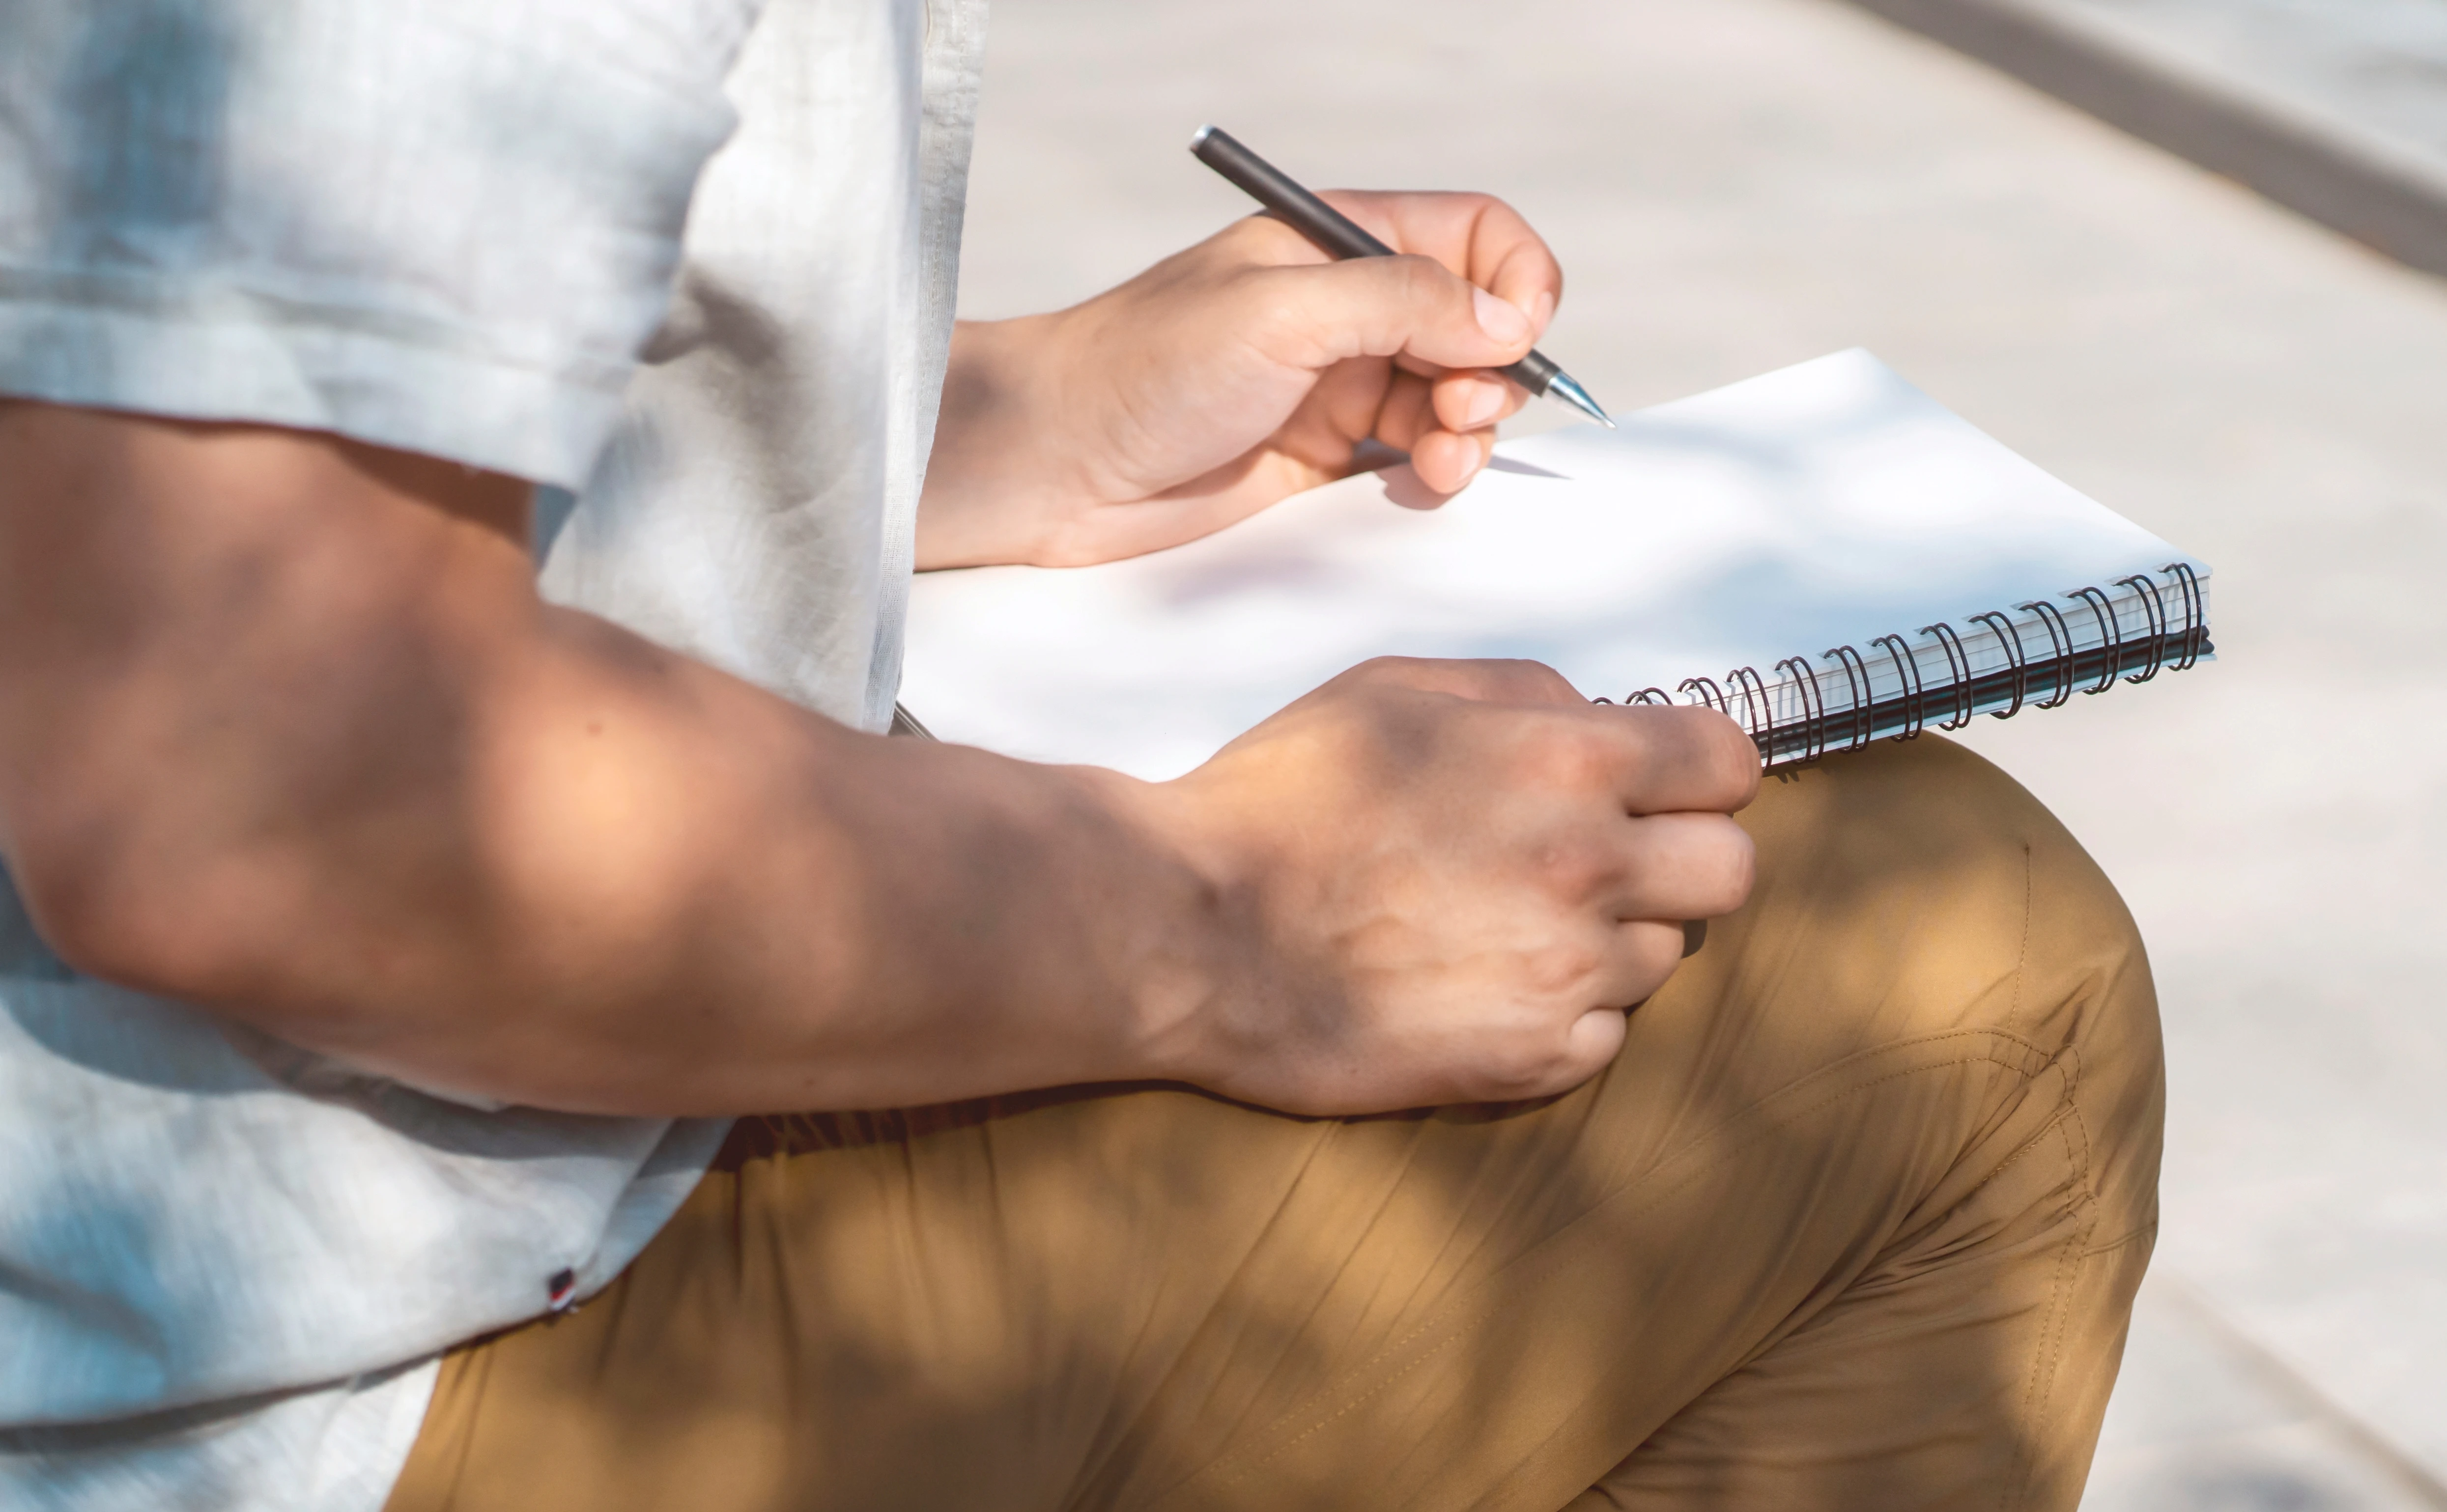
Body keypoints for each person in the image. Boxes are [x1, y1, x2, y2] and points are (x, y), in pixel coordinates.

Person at [0, 1, 2162, 1509]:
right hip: (249, 1396)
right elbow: (261, 781)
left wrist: (1004, 431)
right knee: (1961, 967)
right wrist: (1235, 917)